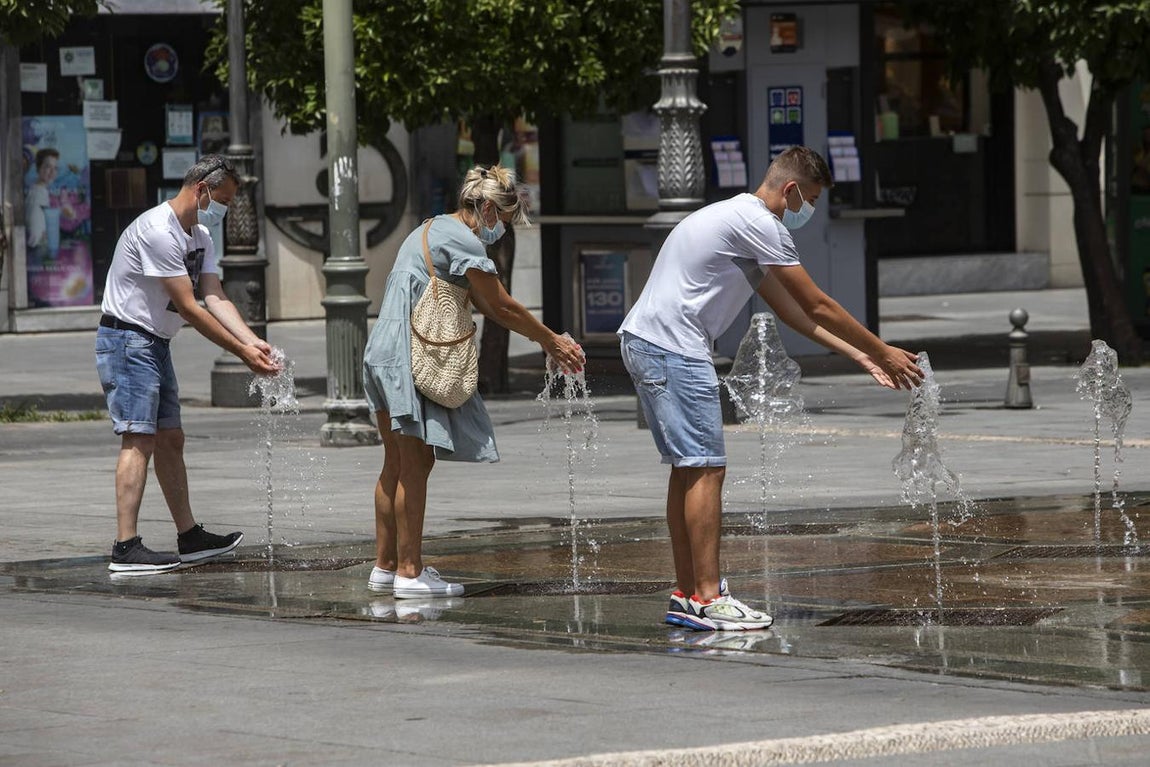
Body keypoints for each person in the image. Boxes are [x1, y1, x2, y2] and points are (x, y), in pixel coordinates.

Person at [618, 146, 923, 631]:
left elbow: (791, 313)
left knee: (688, 469)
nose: (811, 210)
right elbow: (818, 304)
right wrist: (884, 348)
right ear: (791, 190)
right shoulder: (760, 223)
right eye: (812, 198)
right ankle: (710, 597)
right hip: (675, 348)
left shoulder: (732, 218)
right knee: (705, 469)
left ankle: (687, 594)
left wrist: (860, 355)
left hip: (648, 342)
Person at [363, 165, 585, 600]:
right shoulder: (462, 239)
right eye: (501, 219)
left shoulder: (433, 227)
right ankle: (410, 572)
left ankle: (386, 567)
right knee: (415, 464)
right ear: (485, 208)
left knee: (395, 462)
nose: (500, 229)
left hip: (384, 349)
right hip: (411, 352)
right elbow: (499, 306)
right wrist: (552, 341)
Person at [96, 154, 281, 575]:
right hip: (126, 339)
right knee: (138, 439)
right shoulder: (158, 231)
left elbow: (215, 296)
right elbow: (190, 308)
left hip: (154, 342)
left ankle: (189, 536)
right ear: (201, 190)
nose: (226, 210)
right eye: (224, 200)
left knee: (170, 438)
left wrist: (256, 342)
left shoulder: (199, 235)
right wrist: (241, 353)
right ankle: (125, 548)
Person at [24, 148, 59, 257]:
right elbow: (34, 233)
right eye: (48, 167)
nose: (52, 172)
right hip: (37, 251)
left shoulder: (41, 191)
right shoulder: (37, 194)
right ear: (38, 168)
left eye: (55, 168)